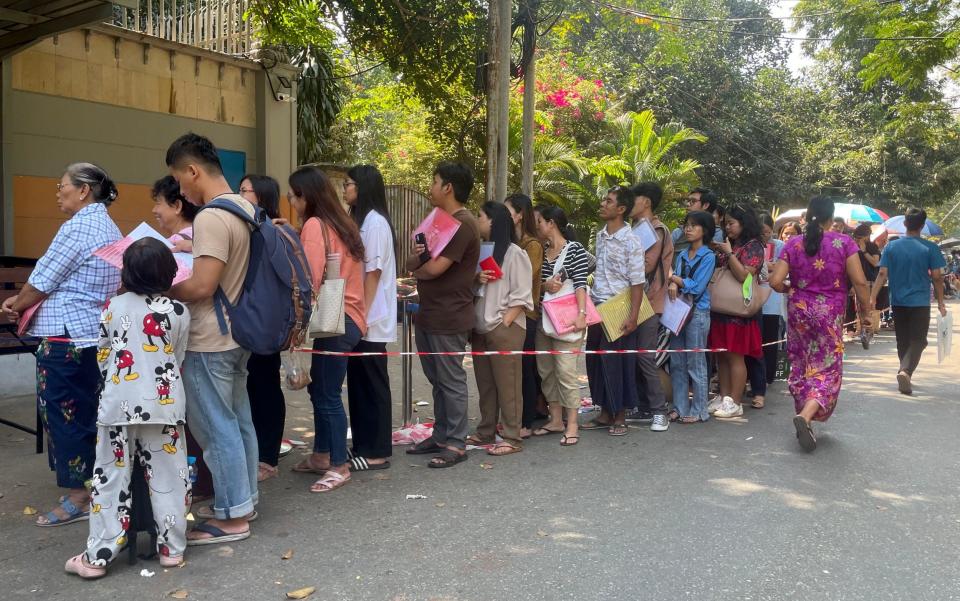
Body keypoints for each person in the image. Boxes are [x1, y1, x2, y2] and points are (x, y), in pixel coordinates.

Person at [1, 163, 121, 527]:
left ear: (83, 190)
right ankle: (96, 485)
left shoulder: (79, 226)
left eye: (62, 185)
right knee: (88, 412)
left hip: (66, 338)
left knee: (65, 414)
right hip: (90, 336)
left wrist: (14, 304)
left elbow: (43, 278)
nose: (58, 192)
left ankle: (79, 496)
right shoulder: (107, 226)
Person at [65, 238, 191, 578]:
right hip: (164, 406)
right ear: (169, 272)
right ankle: (171, 549)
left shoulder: (112, 307)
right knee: (170, 478)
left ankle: (99, 555)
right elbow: (175, 358)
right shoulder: (179, 312)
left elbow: (104, 356)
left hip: (118, 405)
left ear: (128, 272)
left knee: (109, 478)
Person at [166, 133, 257, 545]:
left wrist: (165, 287)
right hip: (240, 334)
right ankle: (244, 499)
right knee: (238, 421)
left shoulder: (209, 218)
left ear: (192, 170)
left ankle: (233, 517)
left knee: (215, 427)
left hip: (210, 338)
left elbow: (202, 286)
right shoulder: (246, 208)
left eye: (179, 180)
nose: (180, 191)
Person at [770, 196, 872, 451]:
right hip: (829, 314)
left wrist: (790, 289)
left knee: (801, 363)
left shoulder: (793, 244)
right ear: (830, 218)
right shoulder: (844, 243)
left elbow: (774, 282)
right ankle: (806, 417)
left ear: (808, 216)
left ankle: (805, 417)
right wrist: (866, 313)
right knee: (827, 368)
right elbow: (860, 282)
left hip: (799, 312)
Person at [288, 166, 366, 490]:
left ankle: (338, 463)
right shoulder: (343, 224)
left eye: (292, 195)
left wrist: (294, 322)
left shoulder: (314, 225)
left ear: (305, 196)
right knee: (320, 388)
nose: (291, 201)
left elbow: (307, 278)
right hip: (350, 315)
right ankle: (322, 454)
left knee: (327, 393)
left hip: (335, 316)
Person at [404, 162, 481, 467]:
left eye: (434, 181)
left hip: (450, 315)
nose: (430, 187)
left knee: (451, 380)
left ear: (448, 187)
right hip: (429, 312)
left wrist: (419, 267)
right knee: (437, 380)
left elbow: (432, 268)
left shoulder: (463, 224)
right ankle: (440, 434)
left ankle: (457, 442)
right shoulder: (439, 221)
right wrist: (420, 265)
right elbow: (414, 259)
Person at [152, 175, 215, 503]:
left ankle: (202, 484)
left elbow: (192, 291)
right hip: (201, 338)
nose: (154, 210)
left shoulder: (179, 245)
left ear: (177, 204)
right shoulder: (201, 236)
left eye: (159, 203)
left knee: (196, 419)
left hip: (192, 342)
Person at [466, 202, 533, 455]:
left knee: (508, 385)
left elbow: (523, 295)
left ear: (493, 221)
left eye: (480, 216)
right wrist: (476, 278)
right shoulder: (483, 251)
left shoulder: (516, 254)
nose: (477, 220)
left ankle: (513, 437)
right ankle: (486, 431)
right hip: (480, 328)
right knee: (486, 385)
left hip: (504, 328)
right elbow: (475, 290)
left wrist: (504, 323)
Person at [235, 174, 289, 482]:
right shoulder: (251, 226)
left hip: (264, 319)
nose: (239, 195)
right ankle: (260, 451)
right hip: (250, 317)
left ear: (263, 196)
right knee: (253, 385)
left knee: (265, 384)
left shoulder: (271, 230)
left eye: (245, 191)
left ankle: (268, 456)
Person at [344, 164, 397, 471]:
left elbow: (373, 274)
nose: (345, 189)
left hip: (371, 319)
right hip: (361, 316)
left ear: (362, 188)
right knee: (360, 385)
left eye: (349, 184)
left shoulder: (375, 224)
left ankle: (378, 450)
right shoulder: (359, 221)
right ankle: (363, 445)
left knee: (374, 385)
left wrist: (360, 314)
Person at [582, 186, 646, 436]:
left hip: (620, 308)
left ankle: (620, 416)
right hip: (598, 306)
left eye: (608, 201)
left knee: (619, 363)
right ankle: (605, 412)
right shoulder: (600, 236)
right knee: (596, 360)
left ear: (620, 209)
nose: (602, 204)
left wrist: (633, 317)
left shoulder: (632, 241)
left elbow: (637, 282)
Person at [870, 207, 947, 395]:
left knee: (903, 339)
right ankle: (905, 371)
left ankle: (905, 372)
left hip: (897, 301)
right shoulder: (930, 248)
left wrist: (872, 297)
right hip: (920, 301)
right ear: (922, 226)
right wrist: (940, 301)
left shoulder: (891, 246)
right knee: (919, 340)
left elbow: (882, 273)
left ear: (905, 224)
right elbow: (937, 277)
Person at [532, 206, 590, 446]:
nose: (537, 226)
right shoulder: (544, 251)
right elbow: (541, 286)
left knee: (566, 373)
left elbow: (580, 284)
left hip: (568, 319)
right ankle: (556, 419)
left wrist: (582, 314)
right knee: (546, 371)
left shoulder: (574, 250)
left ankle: (573, 424)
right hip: (546, 320)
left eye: (539, 221)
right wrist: (545, 286)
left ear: (551, 223)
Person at [707, 204, 764, 419]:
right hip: (721, 308)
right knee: (721, 355)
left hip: (738, 311)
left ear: (744, 223)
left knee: (735, 357)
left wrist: (729, 253)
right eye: (726, 223)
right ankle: (724, 397)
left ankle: (736, 401)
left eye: (731, 223)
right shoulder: (732, 244)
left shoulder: (754, 246)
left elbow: (744, 276)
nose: (727, 227)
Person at [626, 181, 672, 431]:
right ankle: (642, 406)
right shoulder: (637, 228)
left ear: (646, 202)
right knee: (634, 356)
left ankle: (659, 411)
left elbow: (646, 266)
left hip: (649, 302)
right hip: (635, 300)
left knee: (645, 356)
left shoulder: (655, 230)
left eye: (634, 199)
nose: (629, 204)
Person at [665, 210, 716, 423]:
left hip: (697, 313)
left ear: (704, 230)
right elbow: (674, 283)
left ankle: (699, 410)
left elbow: (697, 287)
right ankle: (680, 406)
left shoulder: (709, 256)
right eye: (687, 225)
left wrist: (675, 279)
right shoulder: (683, 254)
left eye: (694, 225)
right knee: (677, 361)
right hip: (677, 311)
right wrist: (673, 281)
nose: (688, 229)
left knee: (696, 362)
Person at [504, 193, 544, 438]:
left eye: (508, 211)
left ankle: (526, 421)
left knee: (525, 368)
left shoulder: (532, 245)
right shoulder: (508, 243)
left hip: (526, 314)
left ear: (519, 216)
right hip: (507, 311)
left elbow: (524, 279)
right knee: (512, 370)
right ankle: (514, 417)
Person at [744, 212, 785, 408]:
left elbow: (780, 269)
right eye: (761, 233)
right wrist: (769, 266)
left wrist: (768, 266)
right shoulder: (751, 245)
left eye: (767, 232)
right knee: (754, 343)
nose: (765, 236)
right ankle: (750, 381)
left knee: (769, 341)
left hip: (772, 299)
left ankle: (765, 380)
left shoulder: (780, 246)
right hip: (752, 300)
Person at [152, 175, 199, 244]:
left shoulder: (174, 243)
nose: (154, 210)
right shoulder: (204, 236)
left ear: (177, 206)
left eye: (158, 203)